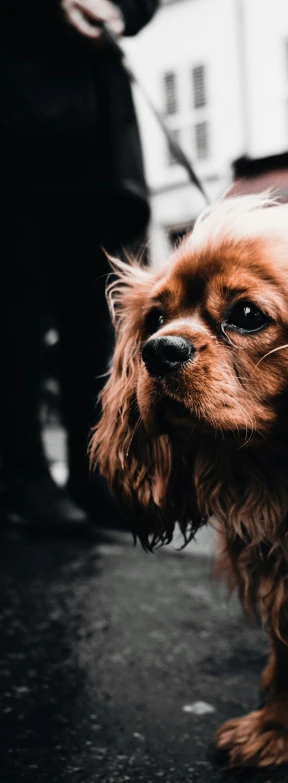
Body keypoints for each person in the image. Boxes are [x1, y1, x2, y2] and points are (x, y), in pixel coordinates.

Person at [0, 0, 159, 532]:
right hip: (17, 137)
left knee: (95, 316)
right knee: (17, 315)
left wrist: (119, 11)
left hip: (99, 151)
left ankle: (96, 471)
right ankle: (20, 474)